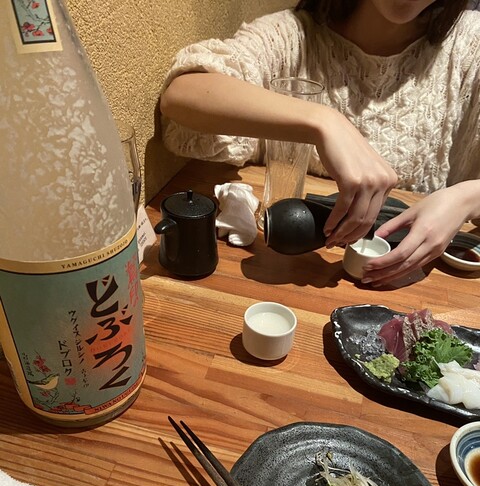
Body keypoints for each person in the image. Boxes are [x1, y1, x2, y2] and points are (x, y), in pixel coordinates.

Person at [160, 0, 480, 285]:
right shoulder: (290, 38)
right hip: (290, 267)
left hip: (424, 284)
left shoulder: (470, 44)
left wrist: (466, 198)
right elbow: (182, 94)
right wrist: (322, 121)